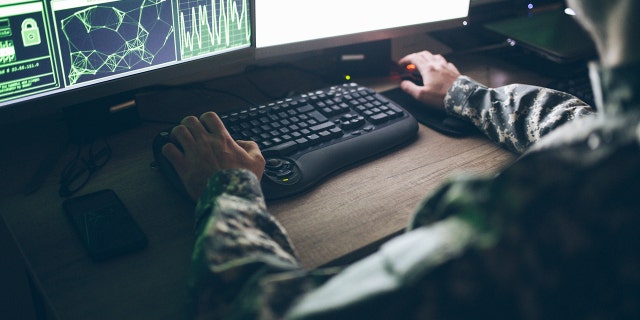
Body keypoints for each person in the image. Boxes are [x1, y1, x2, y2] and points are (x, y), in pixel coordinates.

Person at [162, 0, 640, 318]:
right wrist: (465, 95)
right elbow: (592, 127)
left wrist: (227, 188)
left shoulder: (555, 213)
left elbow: (256, 312)